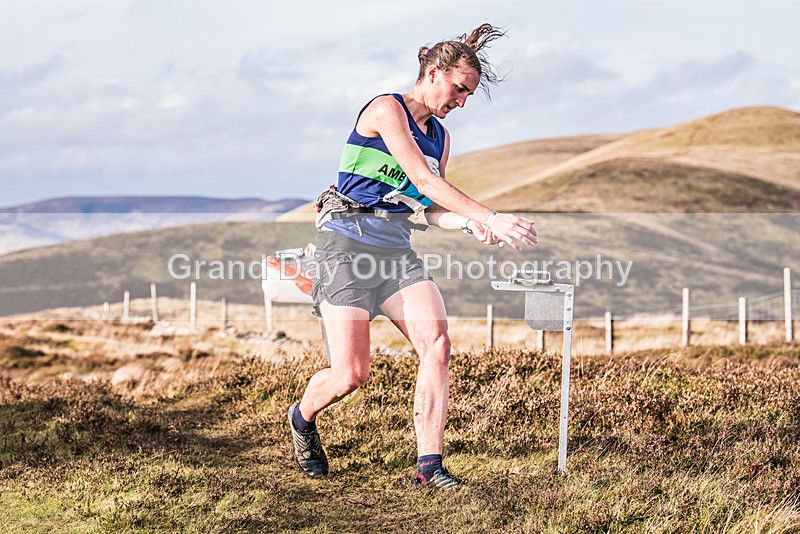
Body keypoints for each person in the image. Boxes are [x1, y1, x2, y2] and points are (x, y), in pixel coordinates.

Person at [288, 23, 538, 490]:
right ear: (433, 71)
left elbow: (429, 209)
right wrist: (493, 214)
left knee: (438, 345)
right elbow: (423, 181)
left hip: (395, 253)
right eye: (459, 89)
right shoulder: (386, 109)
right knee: (350, 374)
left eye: (468, 95)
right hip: (344, 248)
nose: (461, 102)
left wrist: (472, 223)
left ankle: (429, 467)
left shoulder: (440, 137)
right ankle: (302, 418)